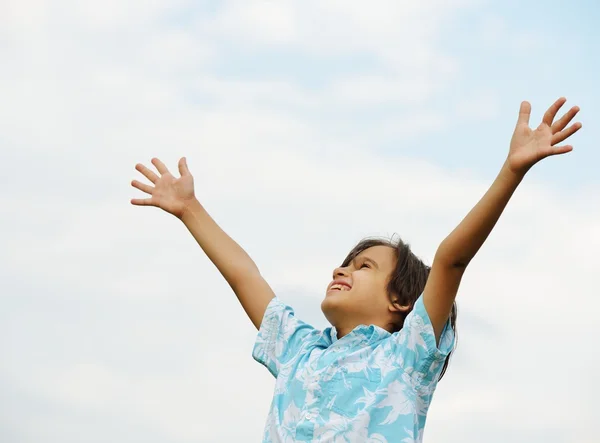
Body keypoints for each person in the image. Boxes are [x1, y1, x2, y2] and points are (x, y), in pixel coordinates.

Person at [130, 98, 581, 442]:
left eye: (364, 266)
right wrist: (190, 209)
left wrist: (512, 170)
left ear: (401, 301)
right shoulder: (298, 350)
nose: (342, 270)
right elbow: (245, 275)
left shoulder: (408, 355)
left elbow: (451, 259)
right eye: (345, 262)